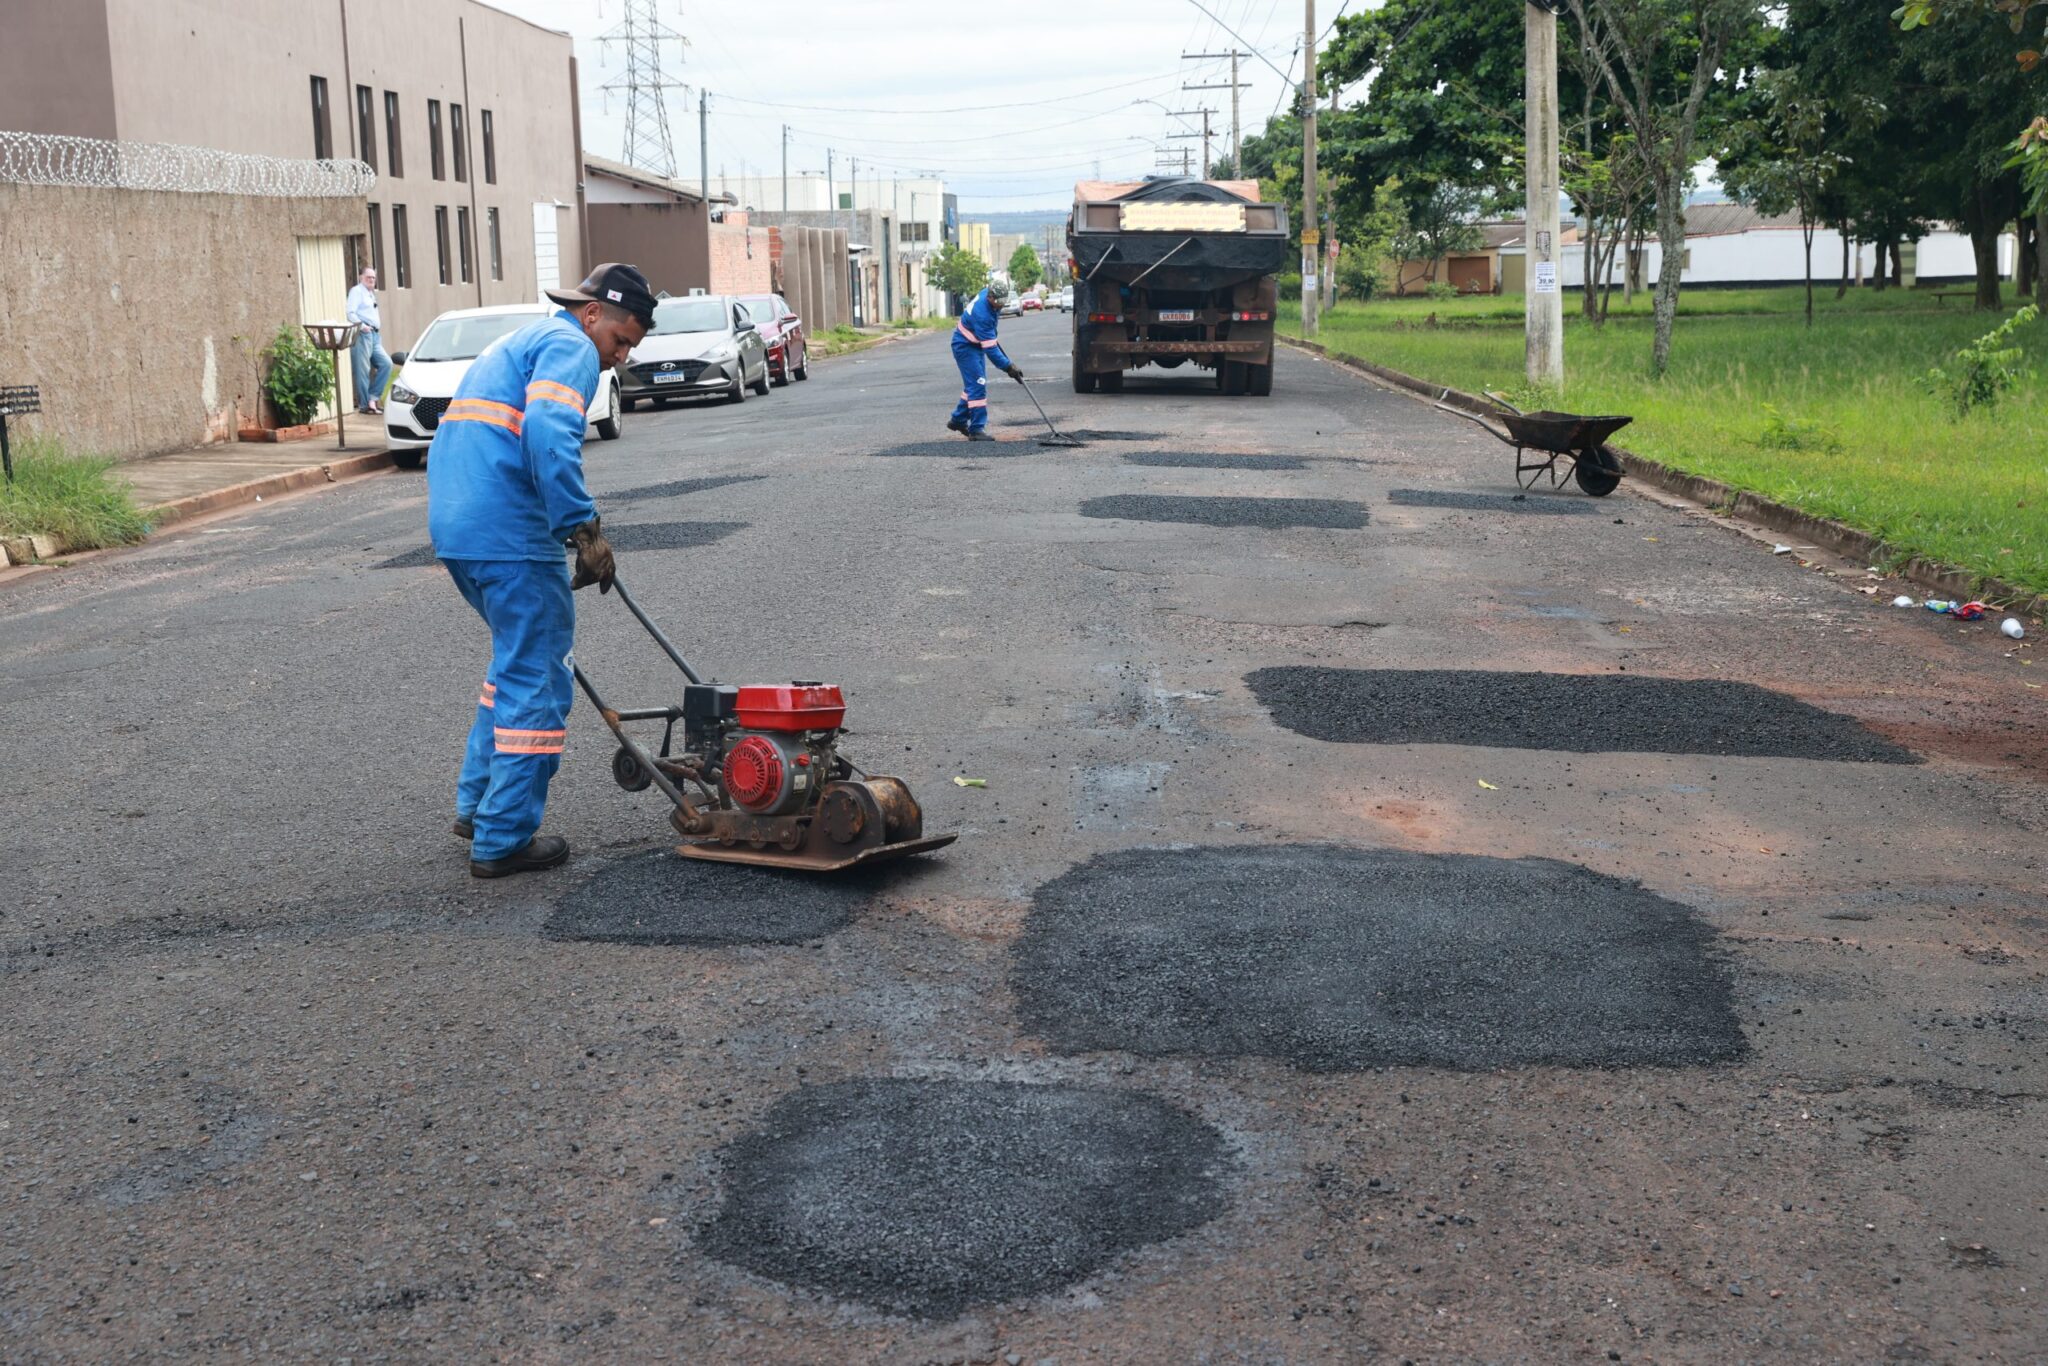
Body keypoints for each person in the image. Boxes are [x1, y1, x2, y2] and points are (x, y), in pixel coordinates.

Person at [427, 262, 654, 878]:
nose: (619, 358)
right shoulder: (569, 346)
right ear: (591, 316)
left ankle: (477, 808)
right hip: (509, 534)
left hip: (461, 530)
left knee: (512, 667)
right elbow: (550, 434)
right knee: (540, 680)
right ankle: (502, 838)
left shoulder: (520, 341)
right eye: (621, 340)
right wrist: (582, 529)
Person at [946, 278, 1022, 441]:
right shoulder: (983, 314)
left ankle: (958, 420)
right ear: (990, 297)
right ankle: (976, 430)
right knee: (978, 385)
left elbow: (990, 336)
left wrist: (992, 336)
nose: (1001, 306)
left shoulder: (990, 298)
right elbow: (991, 351)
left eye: (1003, 302)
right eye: (998, 303)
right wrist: (1009, 367)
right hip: (965, 346)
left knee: (975, 383)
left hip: (975, 343)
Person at [345, 266, 393, 414]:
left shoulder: (370, 293)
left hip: (375, 336)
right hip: (363, 335)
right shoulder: (357, 291)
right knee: (363, 370)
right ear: (361, 278)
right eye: (368, 277)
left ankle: (373, 398)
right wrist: (362, 327)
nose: (371, 280)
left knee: (386, 364)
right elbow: (350, 313)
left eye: (373, 278)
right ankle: (365, 405)